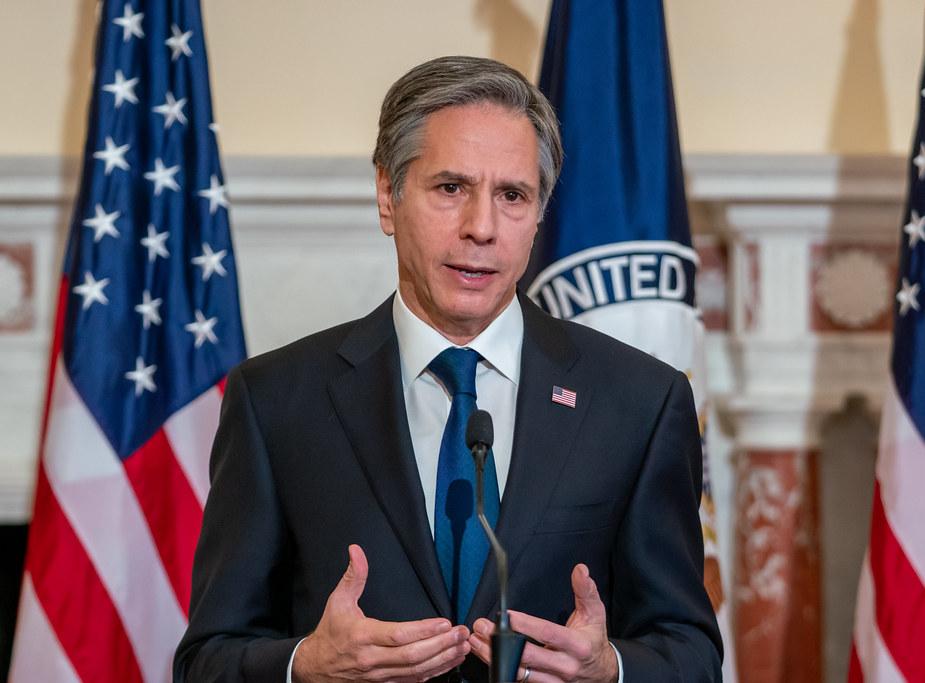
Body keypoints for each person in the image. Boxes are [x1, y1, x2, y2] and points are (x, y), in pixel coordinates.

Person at [174, 55, 722, 683]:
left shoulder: (640, 402)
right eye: (451, 188)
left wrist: (609, 669)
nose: (481, 228)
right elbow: (207, 660)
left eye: (512, 196)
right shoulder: (275, 401)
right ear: (388, 196)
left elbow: (691, 653)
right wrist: (307, 666)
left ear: (539, 214)